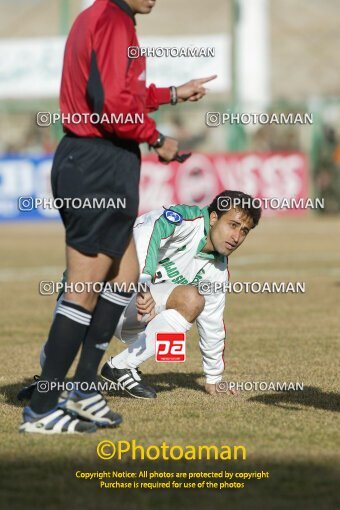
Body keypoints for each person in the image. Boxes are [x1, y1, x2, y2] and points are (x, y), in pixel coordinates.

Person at [19, 0, 216, 434]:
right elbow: (111, 105)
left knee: (125, 276)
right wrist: (157, 138)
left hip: (102, 164)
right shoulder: (111, 21)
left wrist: (171, 94)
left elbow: (119, 92)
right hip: (95, 165)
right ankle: (42, 407)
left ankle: (85, 388)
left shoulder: (105, 18)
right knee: (84, 288)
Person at [19, 190, 261, 403]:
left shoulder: (217, 270)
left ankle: (121, 368)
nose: (236, 236)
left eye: (244, 231)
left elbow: (212, 323)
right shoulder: (186, 219)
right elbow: (145, 234)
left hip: (135, 310)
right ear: (214, 217)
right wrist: (143, 284)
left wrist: (214, 377)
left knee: (192, 300)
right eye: (233, 225)